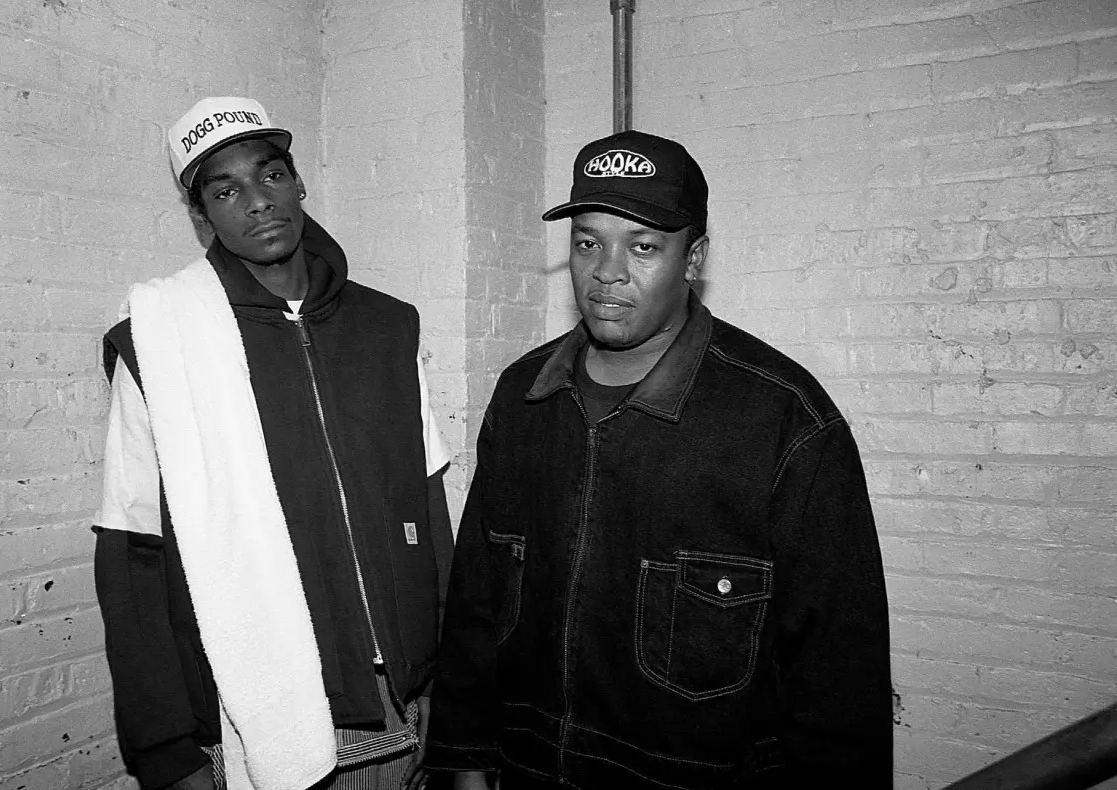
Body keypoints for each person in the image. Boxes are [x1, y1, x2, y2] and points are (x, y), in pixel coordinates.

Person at [425, 130, 892, 788]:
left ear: (693, 257)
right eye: (587, 242)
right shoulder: (524, 398)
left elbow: (841, 675)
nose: (607, 271)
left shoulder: (783, 421)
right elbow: (477, 604)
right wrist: (462, 760)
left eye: (643, 246)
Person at [93, 96, 453, 790]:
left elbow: (430, 512)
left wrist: (451, 680)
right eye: (225, 190)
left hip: (401, 697)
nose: (256, 202)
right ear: (201, 217)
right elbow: (133, 552)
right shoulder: (160, 343)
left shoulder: (387, 328)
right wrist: (167, 750)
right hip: (259, 705)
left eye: (271, 176)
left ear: (298, 183)